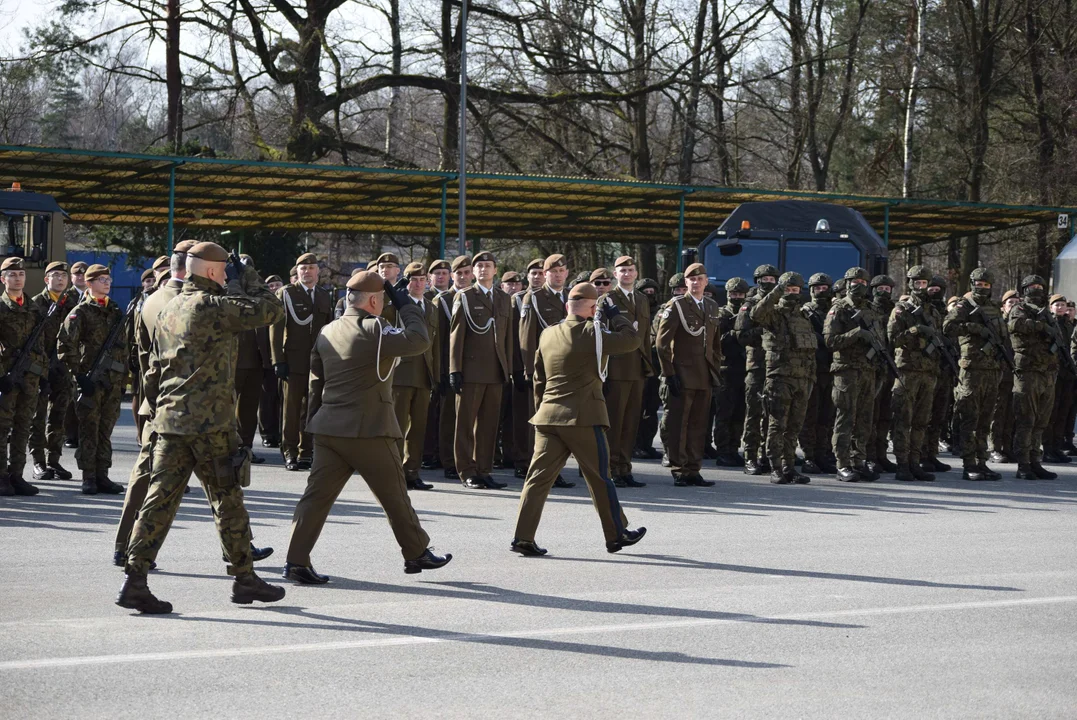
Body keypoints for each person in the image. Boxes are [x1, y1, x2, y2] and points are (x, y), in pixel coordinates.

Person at [116, 242, 287, 614]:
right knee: (227, 499)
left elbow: (152, 368)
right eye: (224, 269)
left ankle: (135, 579)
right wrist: (249, 276)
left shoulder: (169, 306)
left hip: (171, 419)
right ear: (212, 271)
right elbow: (272, 309)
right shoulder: (212, 306)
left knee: (158, 502)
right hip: (209, 424)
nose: (227, 274)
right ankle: (244, 579)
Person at [283, 271, 452, 584]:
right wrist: (406, 305)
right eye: (383, 299)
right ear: (374, 300)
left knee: (316, 498)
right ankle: (416, 551)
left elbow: (316, 380)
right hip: (369, 428)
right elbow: (419, 340)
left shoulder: (327, 330)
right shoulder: (376, 328)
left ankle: (296, 560)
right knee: (395, 496)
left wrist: (316, 422)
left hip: (330, 428)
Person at [511, 282, 647, 556]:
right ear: (593, 307)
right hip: (584, 417)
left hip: (548, 417)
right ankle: (616, 533)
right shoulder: (593, 333)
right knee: (600, 478)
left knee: (536, 480)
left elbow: (539, 378)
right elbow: (632, 339)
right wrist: (616, 313)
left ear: (566, 306)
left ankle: (523, 536)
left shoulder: (548, 334)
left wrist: (544, 409)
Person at [57, 264, 127, 495]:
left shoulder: (115, 310)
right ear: (89, 283)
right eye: (101, 279)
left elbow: (123, 345)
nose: (107, 283)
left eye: (108, 278)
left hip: (112, 380)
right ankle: (88, 477)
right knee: (89, 428)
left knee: (105, 429)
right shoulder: (80, 312)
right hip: (90, 381)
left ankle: (102, 475)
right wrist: (78, 375)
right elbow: (66, 345)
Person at [449, 250, 512, 489]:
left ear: (495, 270)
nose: (484, 269)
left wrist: (509, 368)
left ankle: (484, 469)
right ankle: (467, 471)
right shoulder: (465, 297)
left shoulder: (504, 298)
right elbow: (456, 335)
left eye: (488, 265)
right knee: (466, 424)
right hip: (472, 370)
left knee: (488, 425)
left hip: (496, 370)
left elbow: (507, 338)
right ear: (473, 272)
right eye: (479, 266)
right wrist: (455, 369)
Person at [655, 262, 721, 487]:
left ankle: (694, 468)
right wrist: (669, 374)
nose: (696, 282)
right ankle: (679, 469)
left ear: (706, 281)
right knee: (678, 424)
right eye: (692, 279)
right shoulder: (677, 306)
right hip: (682, 374)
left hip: (704, 375)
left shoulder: (711, 306)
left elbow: (714, 344)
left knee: (699, 424)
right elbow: (662, 344)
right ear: (686, 282)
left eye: (700, 278)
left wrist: (715, 371)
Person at [749, 271, 816, 484]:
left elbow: (810, 352)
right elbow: (756, 314)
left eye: (795, 290)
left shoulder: (804, 316)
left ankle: (789, 467)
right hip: (779, 378)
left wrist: (810, 378)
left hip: (802, 379)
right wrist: (777, 290)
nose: (792, 293)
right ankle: (775, 467)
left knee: (795, 426)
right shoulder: (774, 315)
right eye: (788, 289)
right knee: (777, 425)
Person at [943, 268, 1008, 481]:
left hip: (991, 370)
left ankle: (982, 462)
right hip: (971, 369)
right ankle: (969, 464)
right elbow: (948, 327)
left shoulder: (993, 308)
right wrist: (973, 328)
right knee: (969, 417)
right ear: (972, 284)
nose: (982, 288)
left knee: (985, 419)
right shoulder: (964, 305)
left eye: (986, 285)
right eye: (978, 284)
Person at [270, 252, 332, 470]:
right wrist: (278, 360)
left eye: (311, 268)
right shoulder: (286, 294)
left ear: (318, 271)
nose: (307, 272)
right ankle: (290, 451)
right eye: (302, 268)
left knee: (313, 408)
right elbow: (276, 329)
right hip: (293, 360)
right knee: (292, 409)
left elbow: (330, 329)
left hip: (317, 361)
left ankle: (307, 450)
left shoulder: (324, 296)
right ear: (297, 271)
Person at [823, 267, 884, 482]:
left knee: (865, 419)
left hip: (868, 371)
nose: (858, 285)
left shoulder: (872, 309)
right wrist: (856, 333)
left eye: (862, 281)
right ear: (847, 283)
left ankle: (859, 461)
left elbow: (880, 340)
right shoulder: (839, 309)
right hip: (846, 371)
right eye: (854, 281)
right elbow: (830, 342)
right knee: (845, 418)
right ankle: (842, 464)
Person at [886, 265, 943, 482]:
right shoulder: (901, 309)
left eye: (924, 283)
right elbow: (893, 339)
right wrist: (916, 330)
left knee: (921, 421)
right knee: (903, 419)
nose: (921, 287)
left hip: (928, 372)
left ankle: (914, 462)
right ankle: (902, 464)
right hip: (907, 371)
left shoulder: (932, 312)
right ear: (910, 284)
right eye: (917, 283)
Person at [601, 256, 652, 488]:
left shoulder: (642, 299)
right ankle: (610, 469)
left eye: (631, 270)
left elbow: (646, 336)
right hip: (616, 368)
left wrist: (648, 366)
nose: (627, 274)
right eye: (622, 270)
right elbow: (601, 336)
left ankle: (625, 468)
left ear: (636, 273)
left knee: (631, 422)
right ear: (615, 274)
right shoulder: (607, 299)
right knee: (614, 421)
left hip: (637, 369)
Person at [29, 261, 80, 482]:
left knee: (59, 416)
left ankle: (54, 460)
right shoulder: (36, 304)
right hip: (41, 368)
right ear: (46, 279)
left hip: (64, 368)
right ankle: (39, 462)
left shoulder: (74, 303)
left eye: (63, 276)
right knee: (38, 417)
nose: (60, 279)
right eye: (55, 275)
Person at [0, 257, 46, 496]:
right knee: (2, 427)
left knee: (23, 427)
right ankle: (1, 478)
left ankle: (16, 475)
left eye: (21, 274)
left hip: (30, 377)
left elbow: (41, 344)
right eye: (12, 274)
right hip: (7, 376)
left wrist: (44, 373)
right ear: (3, 279)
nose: (17, 278)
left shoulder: (35, 307)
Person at [1006, 276, 1060, 480]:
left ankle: (1035, 460)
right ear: (1024, 290)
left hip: (1046, 372)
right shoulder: (1019, 310)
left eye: (1040, 286)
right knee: (1026, 420)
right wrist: (1041, 327)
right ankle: (1023, 464)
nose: (1036, 290)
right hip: (1027, 372)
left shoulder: (1046, 313)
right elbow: (1016, 325)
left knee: (1040, 422)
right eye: (1032, 287)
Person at [392, 262, 439, 491]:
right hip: (401, 374)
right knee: (398, 427)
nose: (418, 284)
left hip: (423, 375)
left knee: (418, 428)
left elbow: (435, 345)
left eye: (422, 279)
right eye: (413, 279)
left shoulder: (431, 307)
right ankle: (394, 473)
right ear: (406, 282)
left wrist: (436, 375)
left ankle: (412, 472)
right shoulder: (397, 304)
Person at [433, 256, 472, 479]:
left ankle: (469, 459)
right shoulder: (444, 300)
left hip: (475, 367)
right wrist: (440, 371)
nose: (464, 277)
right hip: (450, 367)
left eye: (467, 272)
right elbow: (438, 340)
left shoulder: (476, 296)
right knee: (449, 417)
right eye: (460, 273)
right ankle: (449, 460)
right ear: (453, 276)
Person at [736, 264, 777, 475]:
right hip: (757, 366)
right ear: (757, 280)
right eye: (764, 279)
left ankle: (767, 455)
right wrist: (765, 331)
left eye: (772, 279)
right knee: (753, 413)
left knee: (773, 415)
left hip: (778, 367)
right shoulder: (749, 305)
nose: (768, 282)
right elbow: (741, 336)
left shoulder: (780, 304)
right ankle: (750, 457)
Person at [798, 273, 837, 474]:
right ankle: (809, 456)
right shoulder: (805, 312)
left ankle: (823, 453)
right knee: (810, 416)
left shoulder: (835, 311)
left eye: (825, 288)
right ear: (811, 290)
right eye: (818, 288)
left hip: (831, 370)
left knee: (827, 415)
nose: (822, 291)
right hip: (812, 370)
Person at [921, 275, 956, 473]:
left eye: (938, 287)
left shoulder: (944, 312)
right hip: (924, 368)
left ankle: (932, 453)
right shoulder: (921, 311)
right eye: (931, 287)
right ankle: (919, 454)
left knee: (938, 416)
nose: (935, 290)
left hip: (944, 369)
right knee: (922, 416)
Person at [713, 277, 748, 467]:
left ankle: (734, 448)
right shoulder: (721, 314)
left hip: (744, 370)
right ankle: (723, 451)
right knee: (724, 413)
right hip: (725, 370)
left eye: (740, 294)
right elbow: (715, 340)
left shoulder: (748, 313)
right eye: (733, 294)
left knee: (739, 413)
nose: (736, 297)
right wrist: (734, 332)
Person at [867, 274, 898, 475]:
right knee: (871, 414)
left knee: (886, 415)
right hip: (872, 368)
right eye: (880, 288)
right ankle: (869, 456)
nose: (883, 292)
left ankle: (881, 454)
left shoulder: (896, 310)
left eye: (887, 289)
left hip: (891, 366)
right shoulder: (867, 309)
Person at [988, 289, 1020, 464]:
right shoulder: (998, 323)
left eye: (1017, 303)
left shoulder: (1021, 323)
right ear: (1003, 307)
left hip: (1016, 374)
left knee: (1011, 413)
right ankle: (995, 448)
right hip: (1001, 373)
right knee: (997, 412)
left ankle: (1007, 447)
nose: (1014, 306)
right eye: (1011, 303)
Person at [1043, 293, 1075, 463]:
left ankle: (1057, 446)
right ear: (1051, 307)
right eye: (1057, 305)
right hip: (1054, 372)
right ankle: (1047, 448)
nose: (1061, 307)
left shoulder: (1068, 325)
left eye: (1063, 304)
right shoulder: (1050, 323)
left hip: (1067, 374)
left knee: (1063, 412)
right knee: (1051, 412)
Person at [634, 277, 663, 459]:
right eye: (645, 292)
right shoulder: (635, 311)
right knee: (637, 410)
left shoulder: (661, 313)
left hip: (656, 367)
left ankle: (647, 443)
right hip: (638, 365)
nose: (649, 295)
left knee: (651, 410)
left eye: (652, 292)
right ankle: (635, 445)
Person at [258, 274, 284, 448]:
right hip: (265, 360)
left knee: (282, 399)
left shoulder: (286, 304)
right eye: (271, 286)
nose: (274, 288)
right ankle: (268, 433)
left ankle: (280, 432)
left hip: (283, 358)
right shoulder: (262, 306)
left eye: (277, 285)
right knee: (267, 399)